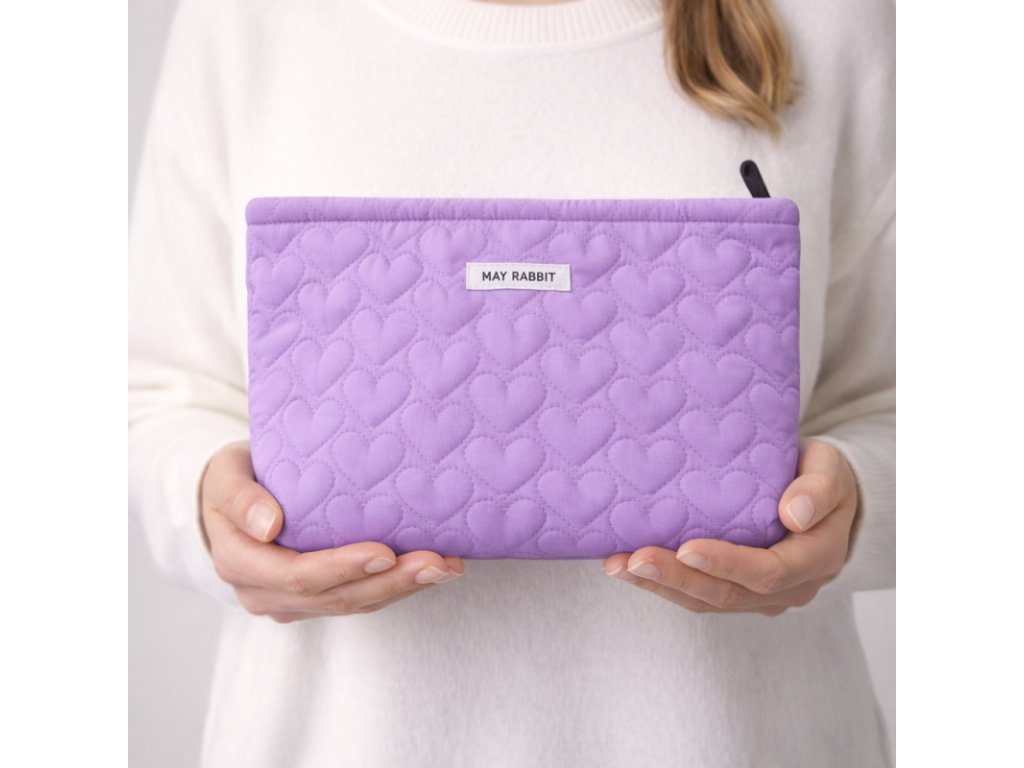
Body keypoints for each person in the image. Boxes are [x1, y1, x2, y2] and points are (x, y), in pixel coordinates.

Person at [128, 0, 895, 765]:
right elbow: (157, 390)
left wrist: (856, 504)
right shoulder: (246, 20)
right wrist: (210, 510)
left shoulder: (829, 20)